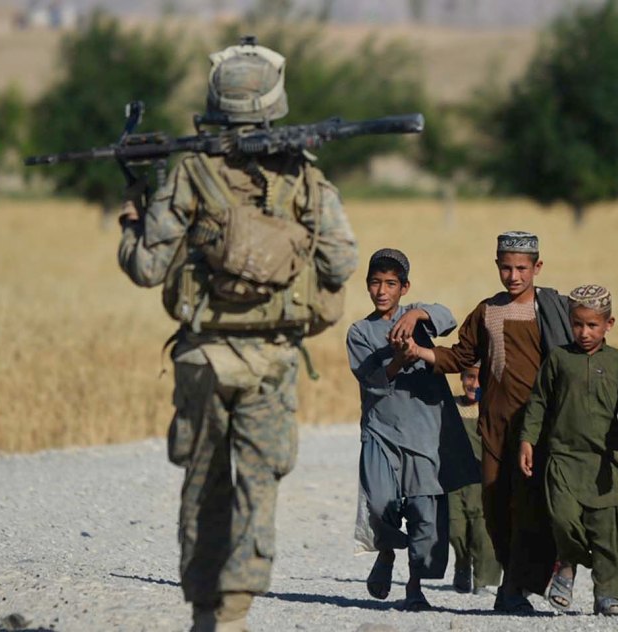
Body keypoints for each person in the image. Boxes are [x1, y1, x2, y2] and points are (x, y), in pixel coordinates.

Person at [117, 39, 359, 632]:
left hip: (203, 357)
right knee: (258, 485)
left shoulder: (191, 172)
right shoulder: (305, 177)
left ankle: (205, 612)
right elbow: (341, 262)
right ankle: (235, 614)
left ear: (215, 99)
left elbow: (147, 268)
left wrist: (131, 222)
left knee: (204, 483)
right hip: (273, 358)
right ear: (275, 100)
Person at [399, 231, 573, 613]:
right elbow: (462, 356)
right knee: (495, 506)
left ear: (537, 267)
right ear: (497, 266)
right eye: (506, 268)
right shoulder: (486, 311)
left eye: (522, 268)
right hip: (494, 424)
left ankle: (517, 586)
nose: (514, 276)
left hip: (537, 426)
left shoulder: (552, 310)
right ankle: (511, 581)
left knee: (528, 507)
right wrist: (420, 352)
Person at [345, 248, 478, 611]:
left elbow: (448, 318)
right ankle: (387, 552)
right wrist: (400, 359)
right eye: (375, 283)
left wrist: (417, 315)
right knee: (380, 503)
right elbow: (372, 381)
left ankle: (415, 587)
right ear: (367, 286)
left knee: (424, 515)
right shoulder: (359, 332)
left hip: (424, 434)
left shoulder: (417, 318)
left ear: (404, 287)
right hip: (381, 432)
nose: (382, 291)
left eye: (391, 284)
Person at [518, 285, 618, 616]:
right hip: (564, 457)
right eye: (577, 324)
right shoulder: (559, 358)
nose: (584, 332)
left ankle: (608, 593)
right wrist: (527, 440)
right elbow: (539, 402)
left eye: (592, 325)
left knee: (611, 531)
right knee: (563, 520)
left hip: (609, 460)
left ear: (609, 324)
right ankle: (566, 564)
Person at [449, 363, 502, 595]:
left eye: (481, 379)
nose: (474, 384)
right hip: (453, 483)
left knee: (484, 533)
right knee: (455, 530)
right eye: (470, 377)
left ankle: (484, 581)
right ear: (462, 378)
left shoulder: (493, 409)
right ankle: (462, 562)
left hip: (484, 483)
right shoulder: (449, 406)